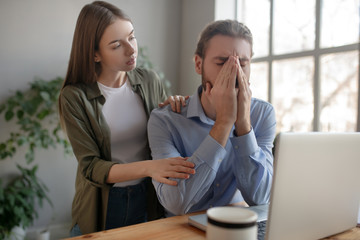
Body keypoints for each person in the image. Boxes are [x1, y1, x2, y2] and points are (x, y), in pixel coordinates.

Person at [58, 1, 195, 236]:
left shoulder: (150, 80)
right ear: (95, 54)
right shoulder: (74, 97)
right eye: (116, 45)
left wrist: (174, 110)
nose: (131, 50)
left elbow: (166, 136)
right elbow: (91, 167)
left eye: (131, 37)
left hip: (148, 198)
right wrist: (151, 168)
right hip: (104, 206)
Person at [148, 20, 276, 216]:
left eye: (242, 63)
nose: (234, 72)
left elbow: (260, 198)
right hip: (181, 230)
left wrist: (243, 124)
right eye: (222, 63)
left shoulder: (262, 114)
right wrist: (224, 123)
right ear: (199, 64)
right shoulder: (165, 120)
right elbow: (176, 203)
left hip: (236, 225)